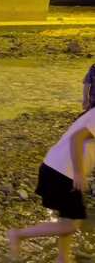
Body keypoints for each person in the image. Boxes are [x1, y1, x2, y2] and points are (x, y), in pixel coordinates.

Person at [7, 108, 95, 263]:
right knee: (71, 225)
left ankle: (63, 258)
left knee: (67, 217)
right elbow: (77, 138)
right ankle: (18, 234)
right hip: (63, 172)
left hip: (56, 167)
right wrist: (79, 173)